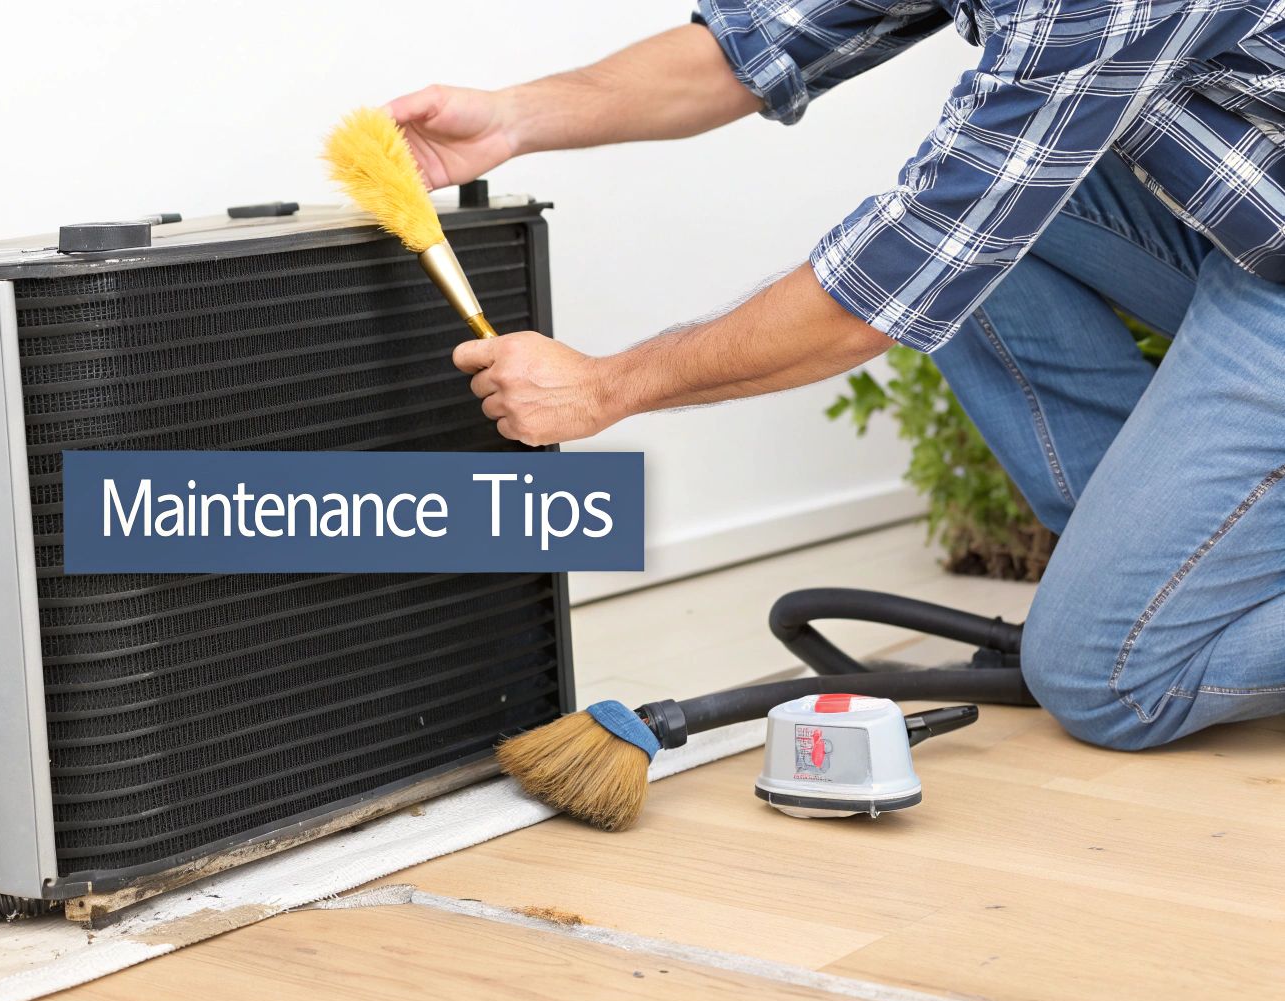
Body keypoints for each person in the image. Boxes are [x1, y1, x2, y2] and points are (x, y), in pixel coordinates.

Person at [386, 5, 1285, 751]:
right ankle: (1178, 574)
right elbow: (756, 44)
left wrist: (607, 387)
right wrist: (514, 116)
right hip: (1250, 224)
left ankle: (1135, 623)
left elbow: (901, 273)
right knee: (1008, 219)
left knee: (1104, 678)